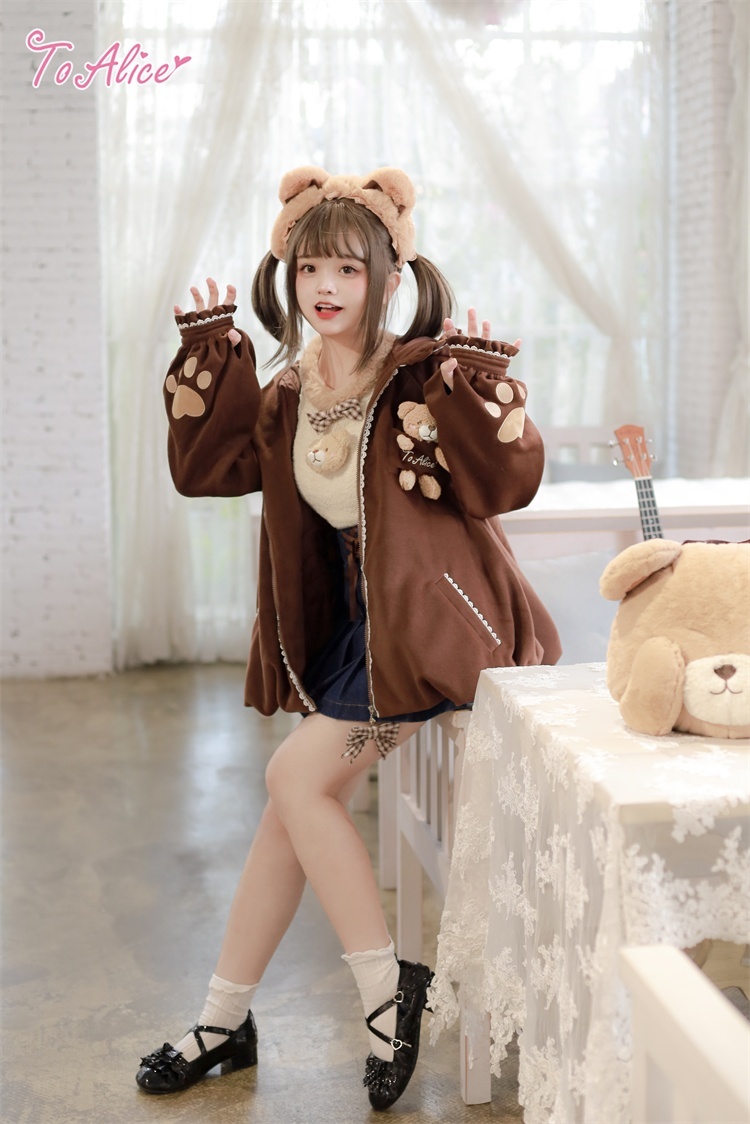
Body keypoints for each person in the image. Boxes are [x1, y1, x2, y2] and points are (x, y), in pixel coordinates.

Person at [136, 166, 560, 1110]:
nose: (324, 287)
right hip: (358, 634)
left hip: (431, 628)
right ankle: (224, 1019)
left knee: (294, 781)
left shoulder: (420, 375)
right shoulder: (292, 390)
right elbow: (209, 468)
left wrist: (482, 384)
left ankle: (384, 993)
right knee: (289, 810)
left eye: (348, 270)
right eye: (309, 268)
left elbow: (504, 482)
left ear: (389, 277)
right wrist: (209, 353)